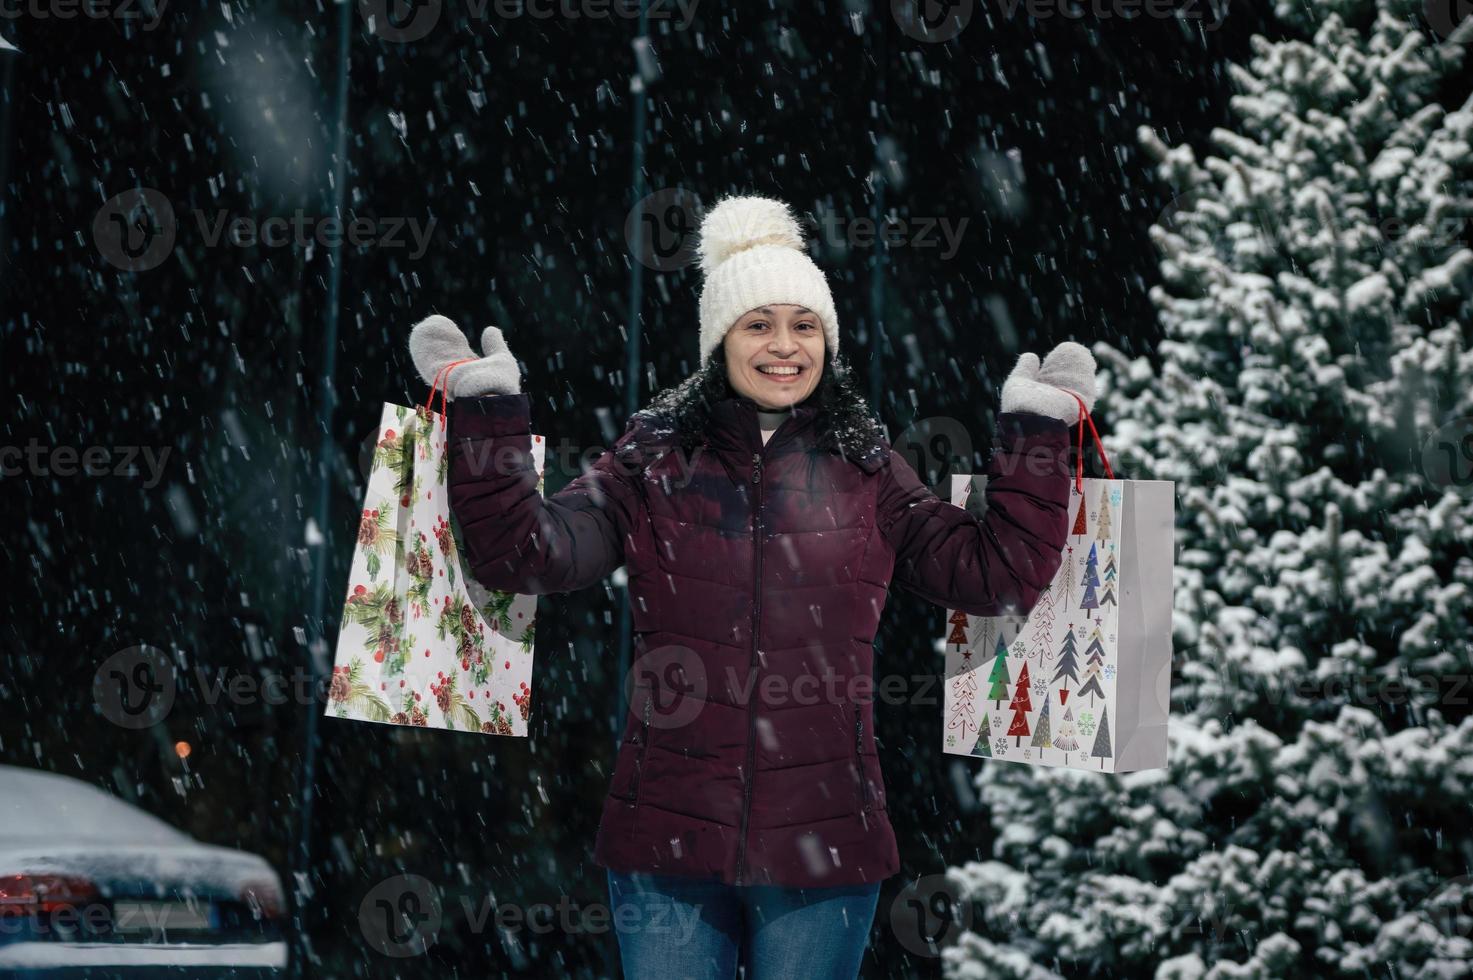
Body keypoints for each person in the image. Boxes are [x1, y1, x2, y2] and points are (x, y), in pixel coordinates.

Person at [408, 194, 1096, 979]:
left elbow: (995, 577)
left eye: (804, 325)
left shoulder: (868, 468)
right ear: (720, 341)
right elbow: (526, 556)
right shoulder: (652, 459)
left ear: (826, 342)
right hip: (666, 845)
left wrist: (1037, 434)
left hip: (826, 848)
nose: (783, 346)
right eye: (757, 324)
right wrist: (487, 410)